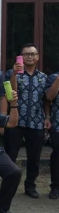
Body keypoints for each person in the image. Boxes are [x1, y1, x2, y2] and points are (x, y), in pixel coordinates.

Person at [4, 44, 49, 199]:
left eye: (32, 54)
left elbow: (46, 101)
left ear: (37, 57)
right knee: (11, 156)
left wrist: (47, 117)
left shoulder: (43, 77)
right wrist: (15, 74)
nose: (30, 56)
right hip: (15, 122)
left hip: (36, 122)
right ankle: (7, 186)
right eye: (26, 54)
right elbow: (10, 95)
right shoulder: (11, 73)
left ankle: (30, 186)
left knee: (34, 157)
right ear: (21, 57)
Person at [46, 71, 59, 199]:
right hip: (57, 123)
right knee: (57, 154)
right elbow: (49, 97)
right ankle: (55, 186)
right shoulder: (53, 77)